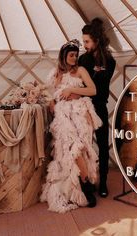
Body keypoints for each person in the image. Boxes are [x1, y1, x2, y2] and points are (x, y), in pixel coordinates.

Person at [40, 40, 102, 213]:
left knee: (80, 148)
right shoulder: (56, 73)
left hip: (79, 113)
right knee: (69, 147)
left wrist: (73, 92)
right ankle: (84, 185)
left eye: (76, 55)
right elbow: (52, 93)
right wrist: (52, 101)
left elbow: (92, 90)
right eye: (71, 55)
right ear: (63, 56)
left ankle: (86, 184)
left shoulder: (80, 70)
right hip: (62, 115)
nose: (75, 58)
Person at [78, 18, 116, 197]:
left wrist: (90, 83)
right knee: (84, 144)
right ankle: (87, 180)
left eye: (87, 41)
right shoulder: (82, 59)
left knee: (102, 144)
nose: (84, 45)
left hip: (99, 106)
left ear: (96, 41)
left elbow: (100, 87)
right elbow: (80, 83)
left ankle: (103, 183)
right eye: (83, 41)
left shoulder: (109, 61)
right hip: (83, 107)